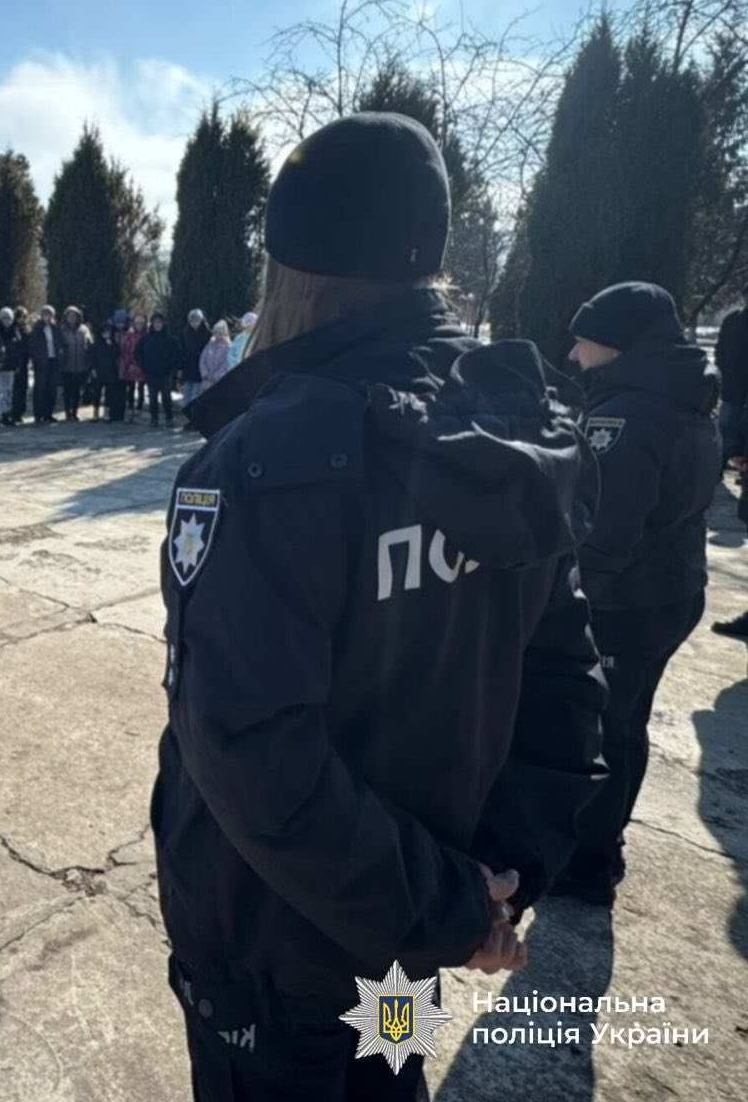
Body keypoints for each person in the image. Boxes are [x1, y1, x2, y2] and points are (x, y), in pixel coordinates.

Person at [153, 112, 605, 1102]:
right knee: (388, 1071)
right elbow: (565, 680)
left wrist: (459, 904)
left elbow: (246, 746)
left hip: (280, 964)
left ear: (288, 265)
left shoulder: (263, 460)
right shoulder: (514, 425)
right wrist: (493, 885)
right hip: (409, 947)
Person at [547, 282, 720, 906]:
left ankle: (589, 863)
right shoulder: (681, 399)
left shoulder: (630, 416)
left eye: (584, 341)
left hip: (627, 602)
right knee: (626, 724)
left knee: (601, 730)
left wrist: (564, 605)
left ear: (617, 345)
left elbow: (605, 532)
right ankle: (602, 843)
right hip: (670, 591)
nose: (572, 354)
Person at [715, 297, 747, 471]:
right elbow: (720, 348)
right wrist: (723, 371)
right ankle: (717, 465)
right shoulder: (733, 320)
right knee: (726, 426)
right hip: (734, 384)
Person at [136, 313, 180, 427]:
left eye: (159, 322)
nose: (157, 325)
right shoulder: (145, 339)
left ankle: (169, 418)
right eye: (155, 322)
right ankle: (154, 419)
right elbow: (137, 353)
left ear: (163, 323)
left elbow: (177, 355)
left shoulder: (170, 339)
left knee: (166, 398)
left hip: (165, 374)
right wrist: (143, 366)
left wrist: (171, 368)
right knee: (152, 398)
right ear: (152, 324)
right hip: (150, 374)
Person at [26, 304, 61, 424]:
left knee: (52, 389)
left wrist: (60, 355)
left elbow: (61, 344)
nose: (48, 317)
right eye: (45, 314)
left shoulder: (56, 328)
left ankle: (48, 414)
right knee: (40, 388)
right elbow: (31, 347)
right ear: (42, 316)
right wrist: (38, 359)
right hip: (41, 362)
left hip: (53, 361)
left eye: (50, 314)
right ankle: (38, 415)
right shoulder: (37, 329)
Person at [56, 306, 91, 421]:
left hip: (81, 365)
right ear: (65, 317)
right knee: (67, 391)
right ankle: (67, 412)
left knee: (77, 391)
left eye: (74, 316)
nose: (72, 318)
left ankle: (75, 412)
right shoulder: (61, 330)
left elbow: (90, 344)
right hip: (66, 366)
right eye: (69, 316)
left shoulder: (84, 330)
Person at [92, 321, 126, 422]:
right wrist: (93, 368)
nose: (106, 334)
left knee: (109, 393)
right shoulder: (96, 344)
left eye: (108, 332)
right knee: (96, 393)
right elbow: (92, 357)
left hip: (110, 372)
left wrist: (111, 345)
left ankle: (106, 413)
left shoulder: (114, 344)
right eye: (104, 332)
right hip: (98, 371)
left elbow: (116, 356)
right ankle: (95, 413)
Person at [0, 308, 20, 426]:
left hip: (11, 367)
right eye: (4, 318)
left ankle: (6, 414)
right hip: (0, 367)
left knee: (9, 391)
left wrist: (18, 364)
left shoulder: (15, 332)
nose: (6, 321)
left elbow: (18, 350)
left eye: (9, 318)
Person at [181, 309, 213, 415]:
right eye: (192, 321)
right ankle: (188, 419)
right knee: (186, 397)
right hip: (188, 368)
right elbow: (183, 351)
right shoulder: (186, 333)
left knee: (195, 397)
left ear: (202, 320)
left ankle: (194, 420)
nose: (194, 323)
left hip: (200, 368)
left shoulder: (207, 334)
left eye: (197, 320)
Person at [8, 306, 32, 424]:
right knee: (14, 389)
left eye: (24, 317)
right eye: (20, 317)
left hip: (25, 362)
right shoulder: (13, 329)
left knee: (23, 388)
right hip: (15, 362)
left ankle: (19, 413)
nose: (22, 319)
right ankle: (12, 413)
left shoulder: (27, 329)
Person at [122, 313, 147, 419]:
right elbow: (125, 351)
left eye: (141, 323)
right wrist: (129, 364)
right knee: (131, 387)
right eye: (137, 323)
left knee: (141, 388)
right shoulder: (130, 336)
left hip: (143, 366)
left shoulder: (147, 336)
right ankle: (131, 407)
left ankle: (140, 408)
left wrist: (144, 365)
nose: (139, 326)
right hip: (131, 365)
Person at [199, 320, 233, 394]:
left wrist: (216, 376)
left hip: (219, 383)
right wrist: (205, 374)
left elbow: (226, 363)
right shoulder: (209, 345)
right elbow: (202, 360)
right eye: (216, 332)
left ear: (225, 333)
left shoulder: (229, 348)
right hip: (206, 382)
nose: (218, 335)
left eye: (220, 333)